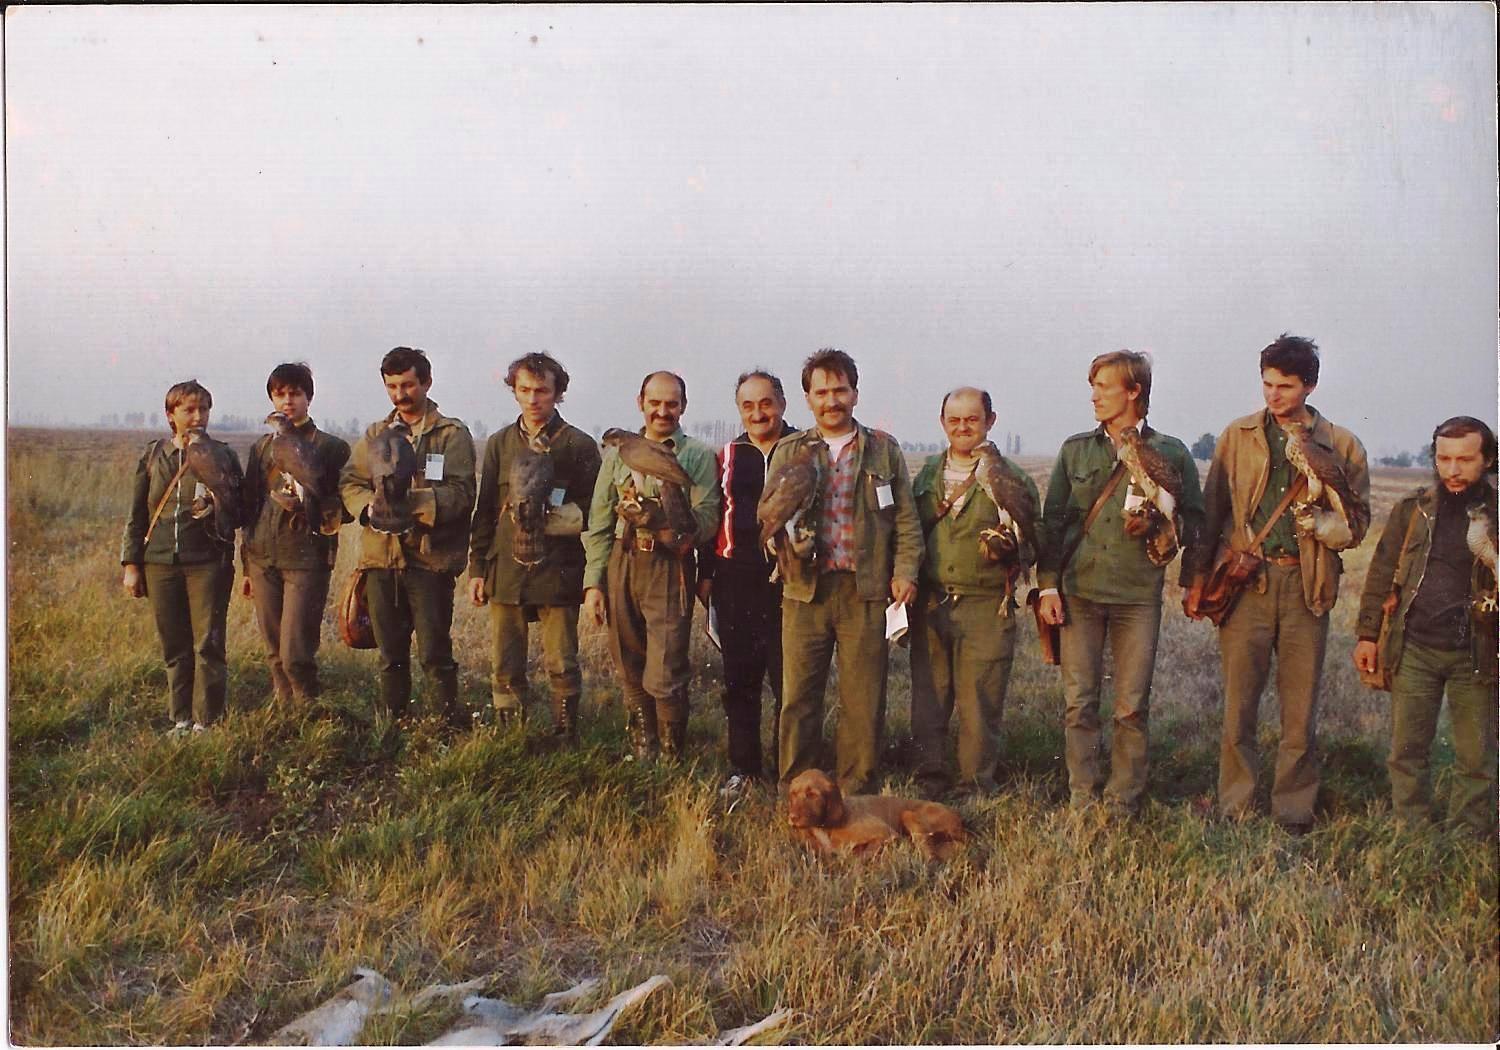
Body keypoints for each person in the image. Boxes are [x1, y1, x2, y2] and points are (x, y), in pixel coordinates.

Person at [1184, 334, 1369, 832]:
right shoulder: (1237, 435)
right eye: (1267, 384)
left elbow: (1358, 524)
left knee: (1299, 709)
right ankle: (1235, 806)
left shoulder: (1342, 444)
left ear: (1310, 385)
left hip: (1307, 585)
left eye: (1285, 386)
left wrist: (1324, 526)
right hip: (1247, 583)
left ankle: (1294, 811)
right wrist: (1196, 579)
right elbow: (1211, 511)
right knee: (1238, 706)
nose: (1273, 395)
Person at [1037, 351, 1203, 815]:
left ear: (1134, 392)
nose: (1094, 396)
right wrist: (1048, 586)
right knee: (1079, 703)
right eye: (1093, 387)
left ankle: (1122, 802)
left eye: (1104, 387)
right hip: (1080, 592)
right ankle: (1082, 798)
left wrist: (1159, 525)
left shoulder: (1171, 452)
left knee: (1131, 706)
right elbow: (1053, 523)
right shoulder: (1076, 450)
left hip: (1137, 597)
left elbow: (1196, 523)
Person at [771, 348, 922, 795]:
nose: (831, 400)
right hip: (805, 592)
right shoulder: (789, 451)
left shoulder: (883, 450)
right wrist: (788, 553)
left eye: (840, 390)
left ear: (855, 393)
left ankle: (857, 790)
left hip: (865, 590)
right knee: (799, 696)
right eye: (821, 392)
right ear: (807, 399)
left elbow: (907, 521)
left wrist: (906, 571)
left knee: (863, 698)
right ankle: (798, 789)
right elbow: (770, 519)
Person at [1354, 416, 1497, 836]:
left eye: (1465, 460)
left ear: (1488, 460)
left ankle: (1469, 836)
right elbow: (1381, 571)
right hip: (1415, 646)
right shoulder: (1413, 509)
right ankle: (1411, 832)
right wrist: (1367, 635)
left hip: (1478, 652)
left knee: (1476, 756)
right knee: (1407, 751)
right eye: (1443, 459)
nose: (1453, 470)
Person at [582, 371, 721, 761]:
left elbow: (708, 518)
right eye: (655, 403)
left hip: (669, 566)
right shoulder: (617, 455)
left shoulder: (697, 455)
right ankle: (644, 745)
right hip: (624, 560)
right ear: (640, 403)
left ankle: (672, 752)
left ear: (683, 406)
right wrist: (594, 583)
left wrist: (664, 521)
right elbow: (599, 521)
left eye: (671, 404)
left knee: (666, 664)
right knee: (628, 659)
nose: (663, 411)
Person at [910, 387, 1039, 798]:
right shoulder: (926, 474)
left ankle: (974, 786)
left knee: (980, 701)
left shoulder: (1013, 477)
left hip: (986, 604)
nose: (963, 427)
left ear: (990, 421)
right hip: (932, 600)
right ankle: (929, 780)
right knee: (929, 699)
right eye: (954, 420)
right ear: (942, 423)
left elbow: (1036, 543)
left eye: (972, 419)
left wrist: (1012, 548)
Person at [339, 347, 476, 725]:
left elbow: (463, 494)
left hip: (429, 561)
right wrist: (369, 506)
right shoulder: (375, 435)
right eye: (392, 386)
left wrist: (410, 502)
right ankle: (393, 724)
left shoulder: (451, 435)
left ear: (427, 383)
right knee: (390, 653)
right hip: (381, 559)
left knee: (434, 652)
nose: (400, 394)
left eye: (408, 385)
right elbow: (350, 482)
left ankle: (444, 726)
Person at [468, 352, 601, 741]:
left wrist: (556, 519)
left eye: (541, 390)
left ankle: (565, 733)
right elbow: (485, 510)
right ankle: (511, 734)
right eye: (524, 390)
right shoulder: (499, 444)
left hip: (558, 566)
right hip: (507, 567)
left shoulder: (578, 444)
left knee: (561, 660)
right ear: (513, 391)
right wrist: (477, 568)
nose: (532, 399)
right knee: (506, 661)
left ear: (558, 393)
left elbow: (597, 510)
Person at [120, 379, 243, 734]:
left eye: (204, 409)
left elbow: (240, 511)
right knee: (175, 645)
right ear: (170, 415)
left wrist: (218, 505)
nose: (198, 417)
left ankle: (207, 721)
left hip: (207, 562)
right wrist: (131, 565)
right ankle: (181, 719)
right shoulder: (153, 456)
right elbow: (137, 515)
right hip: (159, 563)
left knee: (208, 644)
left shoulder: (223, 454)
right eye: (189, 410)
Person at [698, 369, 797, 793]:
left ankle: (791, 771)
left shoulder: (801, 449)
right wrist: (706, 574)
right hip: (735, 578)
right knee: (740, 680)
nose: (758, 413)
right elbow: (711, 517)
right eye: (748, 405)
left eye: (766, 403)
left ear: (782, 404)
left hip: (790, 581)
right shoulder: (727, 455)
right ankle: (745, 769)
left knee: (789, 682)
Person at [240, 362, 350, 706]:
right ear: (272, 399)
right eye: (280, 394)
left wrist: (308, 508)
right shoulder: (261, 448)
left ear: (308, 397)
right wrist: (246, 566)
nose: (287, 401)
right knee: (274, 651)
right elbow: (249, 507)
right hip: (262, 557)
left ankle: (308, 710)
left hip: (306, 558)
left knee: (296, 652)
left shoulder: (331, 447)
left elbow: (347, 505)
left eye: (295, 393)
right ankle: (283, 711)